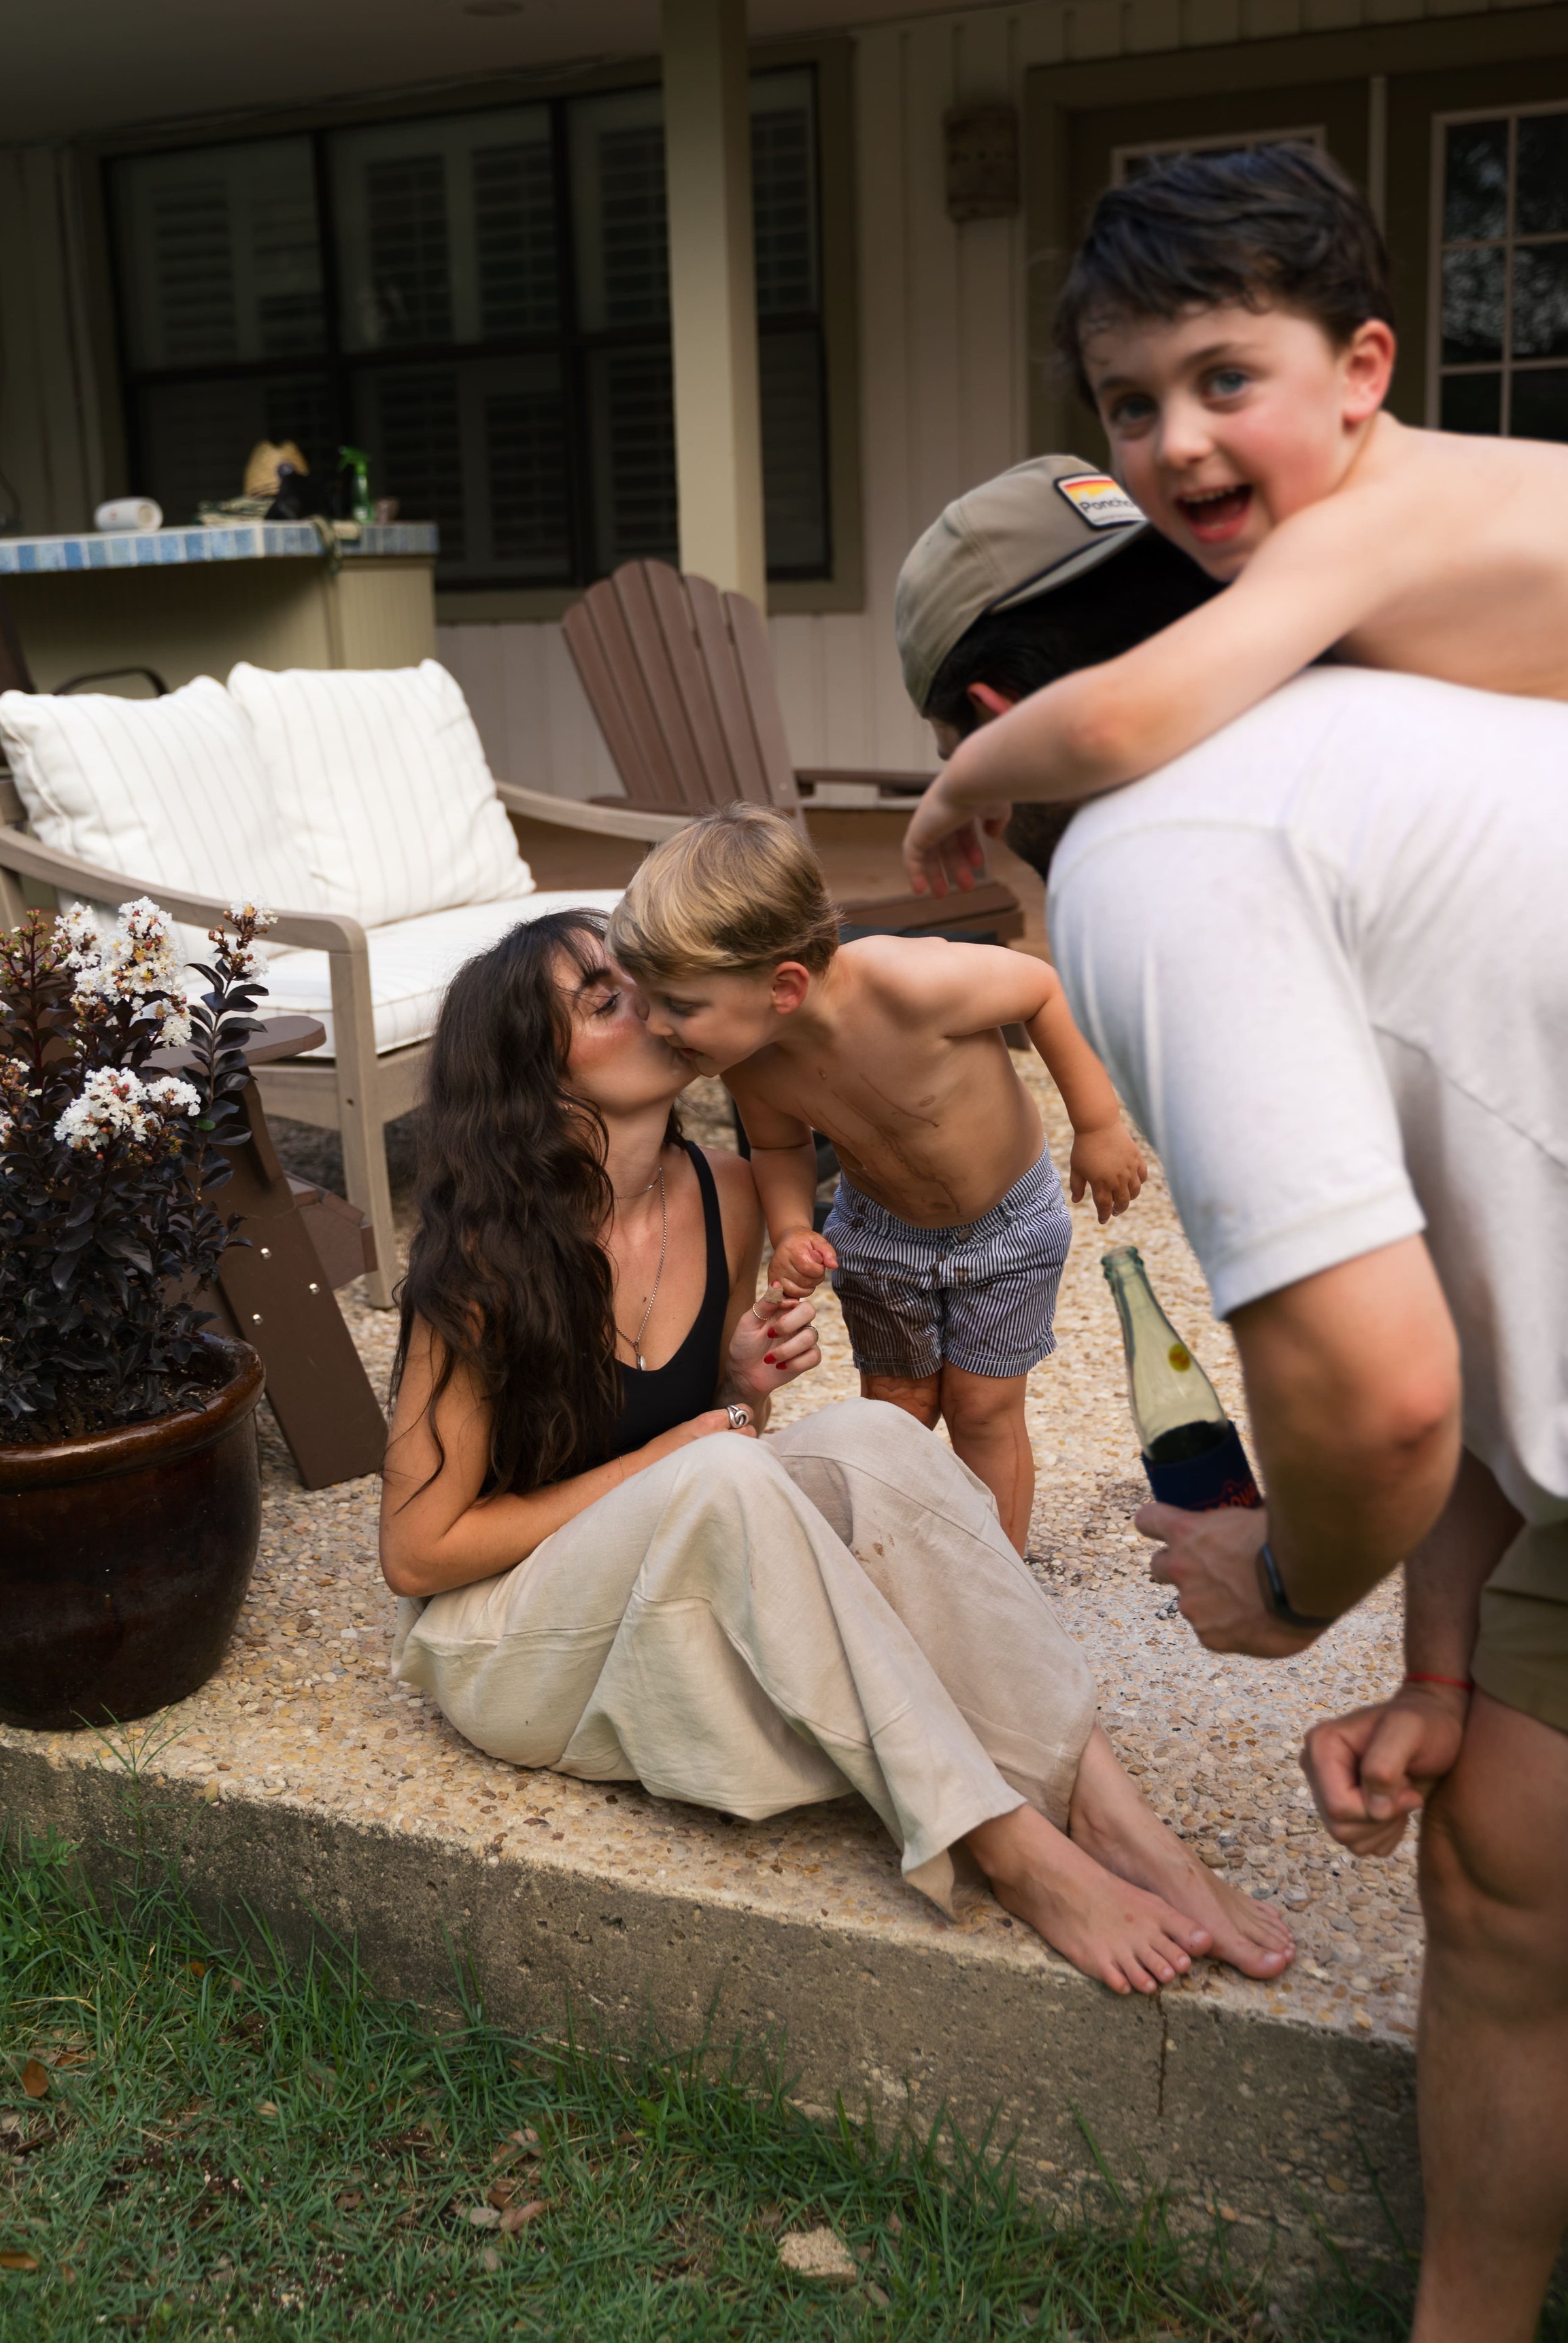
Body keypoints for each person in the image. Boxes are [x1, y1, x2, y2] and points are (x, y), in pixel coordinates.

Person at [891, 469, 1568, 2343]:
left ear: (984, 723)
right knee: (1508, 1861)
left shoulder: (1153, 853)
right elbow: (1473, 1281)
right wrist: (1438, 1672)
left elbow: (1380, 1393)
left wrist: (1286, 1589)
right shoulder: (1428, 730)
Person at [379, 908, 1293, 1996]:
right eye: (605, 999)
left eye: (646, 978)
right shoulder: (483, 1261)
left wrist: (740, 1392)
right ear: (538, 1072)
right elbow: (419, 1554)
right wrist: (685, 1448)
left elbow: (711, 1497)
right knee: (722, 1470)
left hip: (639, 1605)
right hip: (506, 1644)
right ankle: (1006, 1845)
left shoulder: (723, 1194)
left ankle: (1116, 1818)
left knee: (871, 1434)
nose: (653, 1004)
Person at [902, 141, 1568, 888]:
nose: (1178, 443)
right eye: (1133, 406)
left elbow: (1109, 721)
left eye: (1225, 380)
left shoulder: (1352, 531)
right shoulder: (1421, 495)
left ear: (1360, 371)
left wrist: (965, 781)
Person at [606, 808, 1146, 1553]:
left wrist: (1098, 1124)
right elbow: (780, 1145)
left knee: (983, 1408)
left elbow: (1041, 990)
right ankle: (904, 1562)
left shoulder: (911, 984)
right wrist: (791, 1227)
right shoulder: (749, 1061)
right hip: (880, 1230)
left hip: (1007, 1224)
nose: (657, 1025)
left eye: (680, 1005)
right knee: (894, 1406)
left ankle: (1001, 1577)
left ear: (783, 985)